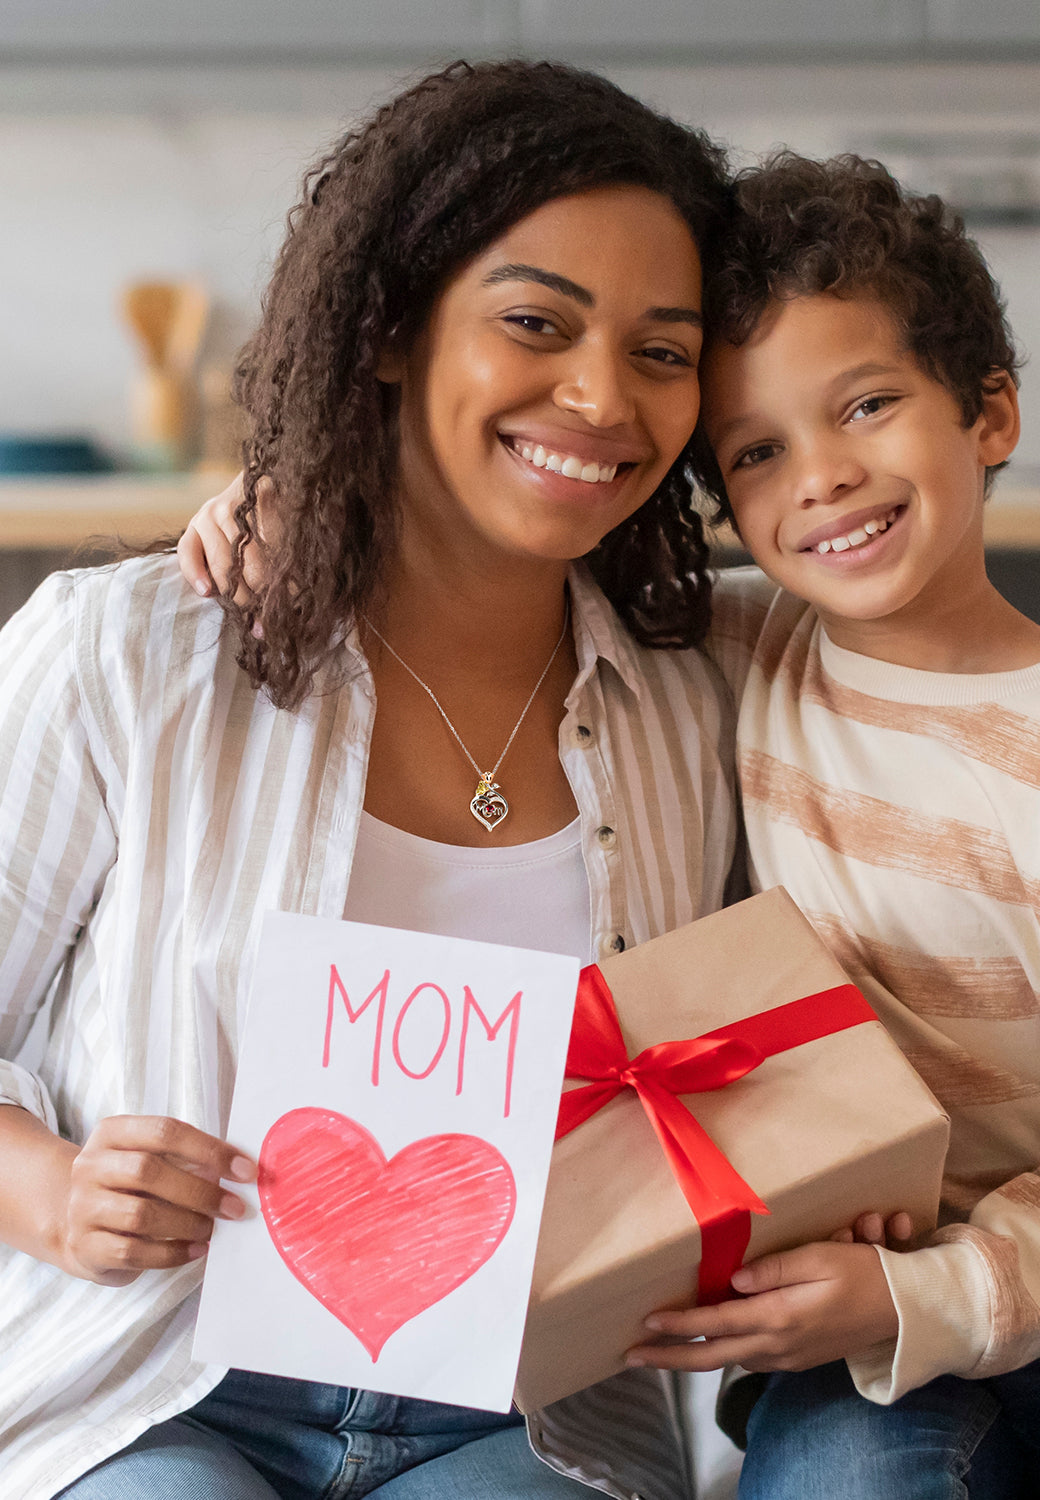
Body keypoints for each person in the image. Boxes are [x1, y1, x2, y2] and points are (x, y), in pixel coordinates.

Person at [0, 60, 746, 1500]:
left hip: (525, 1410)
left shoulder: (701, 696)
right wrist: (49, 1191)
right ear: (393, 328)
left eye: (664, 351)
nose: (600, 397)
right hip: (153, 1389)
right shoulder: (130, 656)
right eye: (536, 322)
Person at [616, 154, 1040, 1497]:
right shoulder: (737, 651)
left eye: (866, 405)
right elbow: (496, 578)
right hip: (840, 1320)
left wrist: (917, 1297)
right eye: (755, 452)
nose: (819, 479)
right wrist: (276, 507)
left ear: (988, 412)